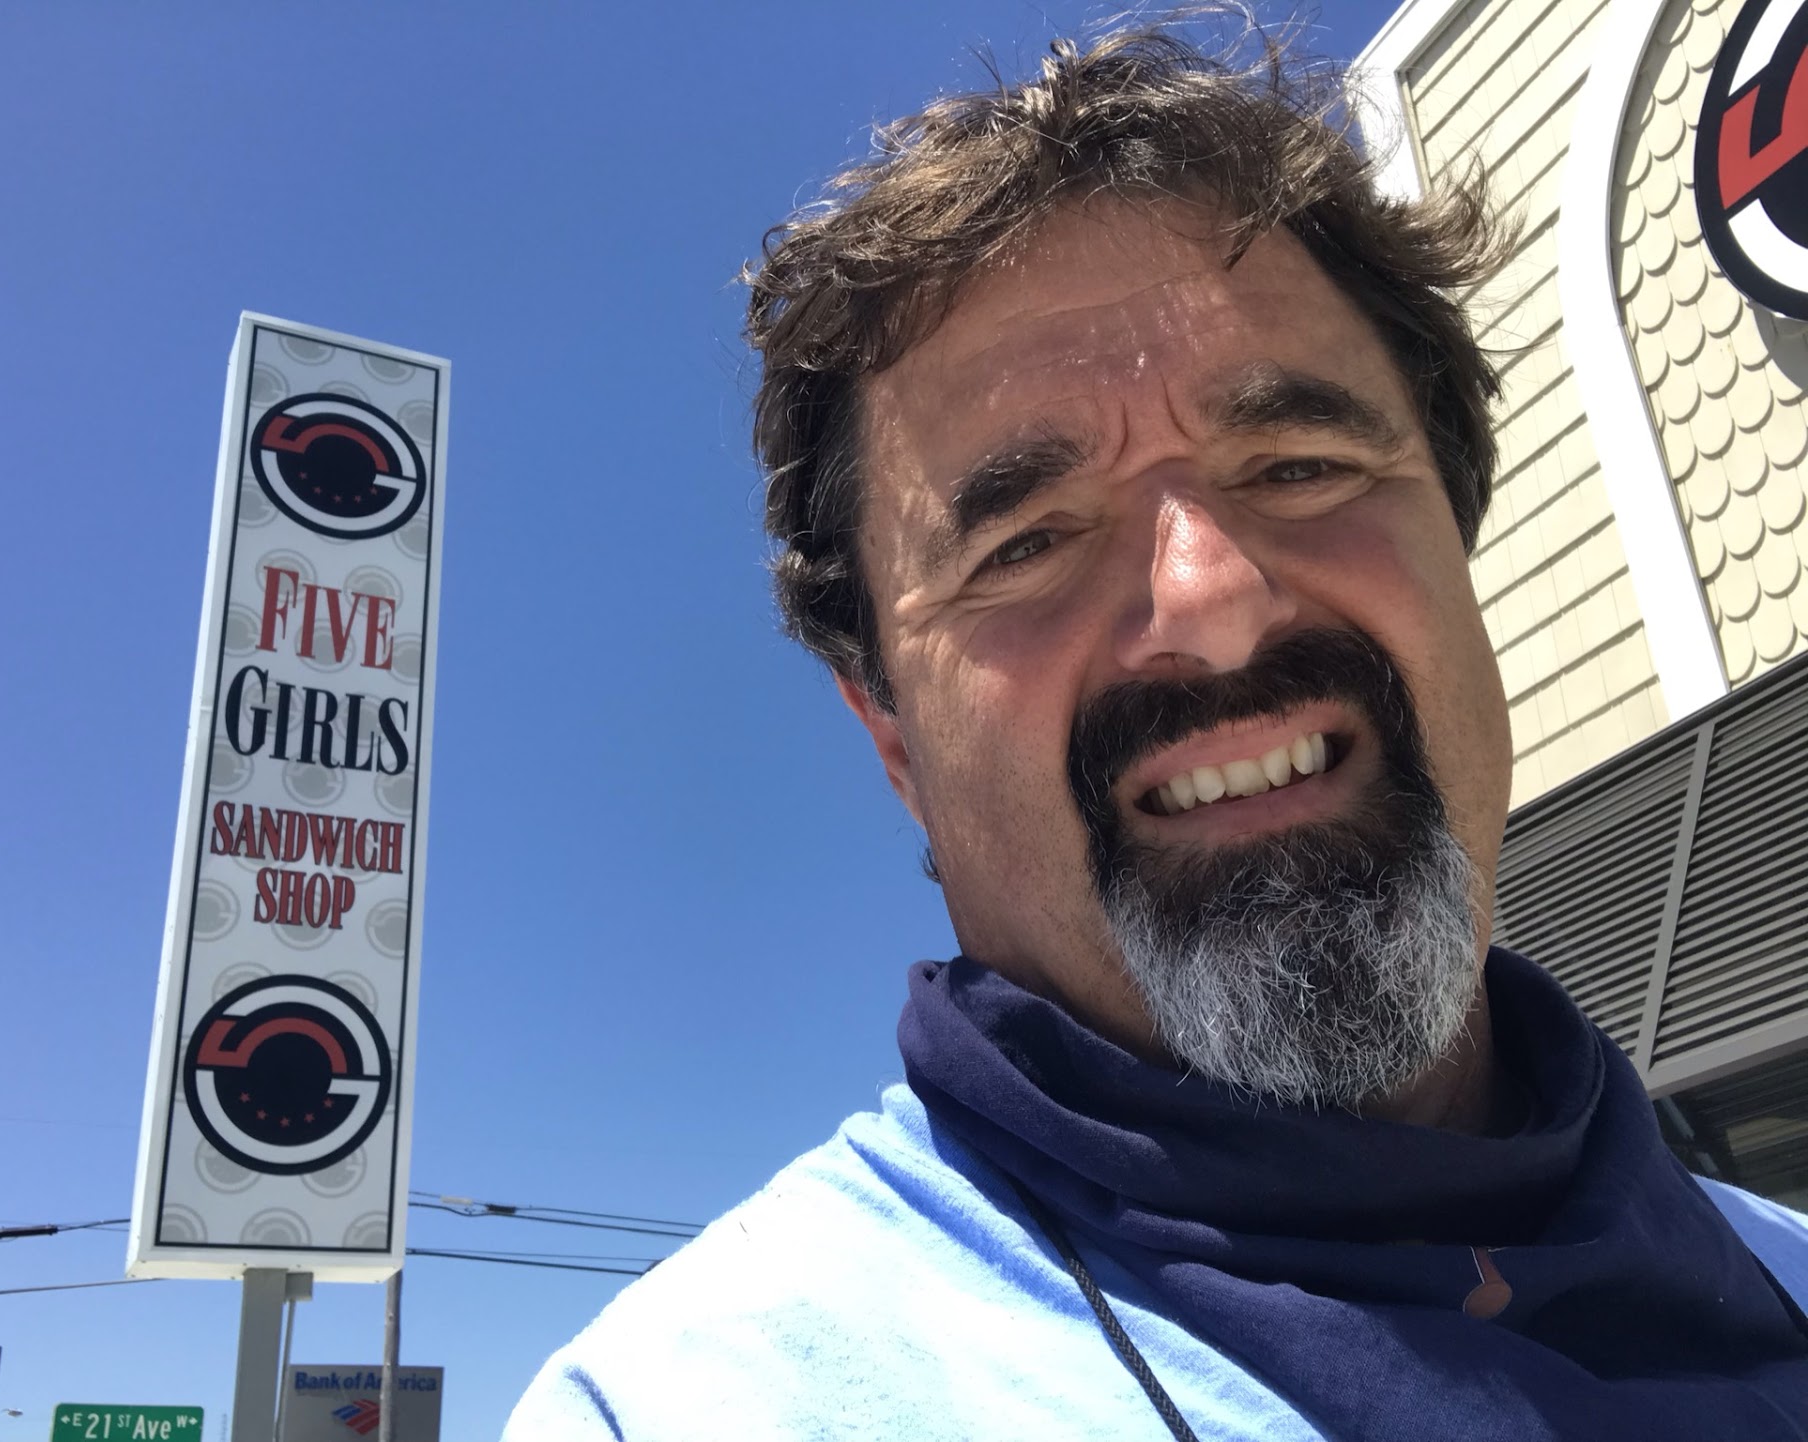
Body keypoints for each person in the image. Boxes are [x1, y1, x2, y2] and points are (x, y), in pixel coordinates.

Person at [507, 23, 1808, 1440]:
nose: (1213, 600)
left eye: (1300, 464)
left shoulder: (1785, 1263)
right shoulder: (689, 1405)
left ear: (1459, 549)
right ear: (896, 749)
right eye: (1026, 543)